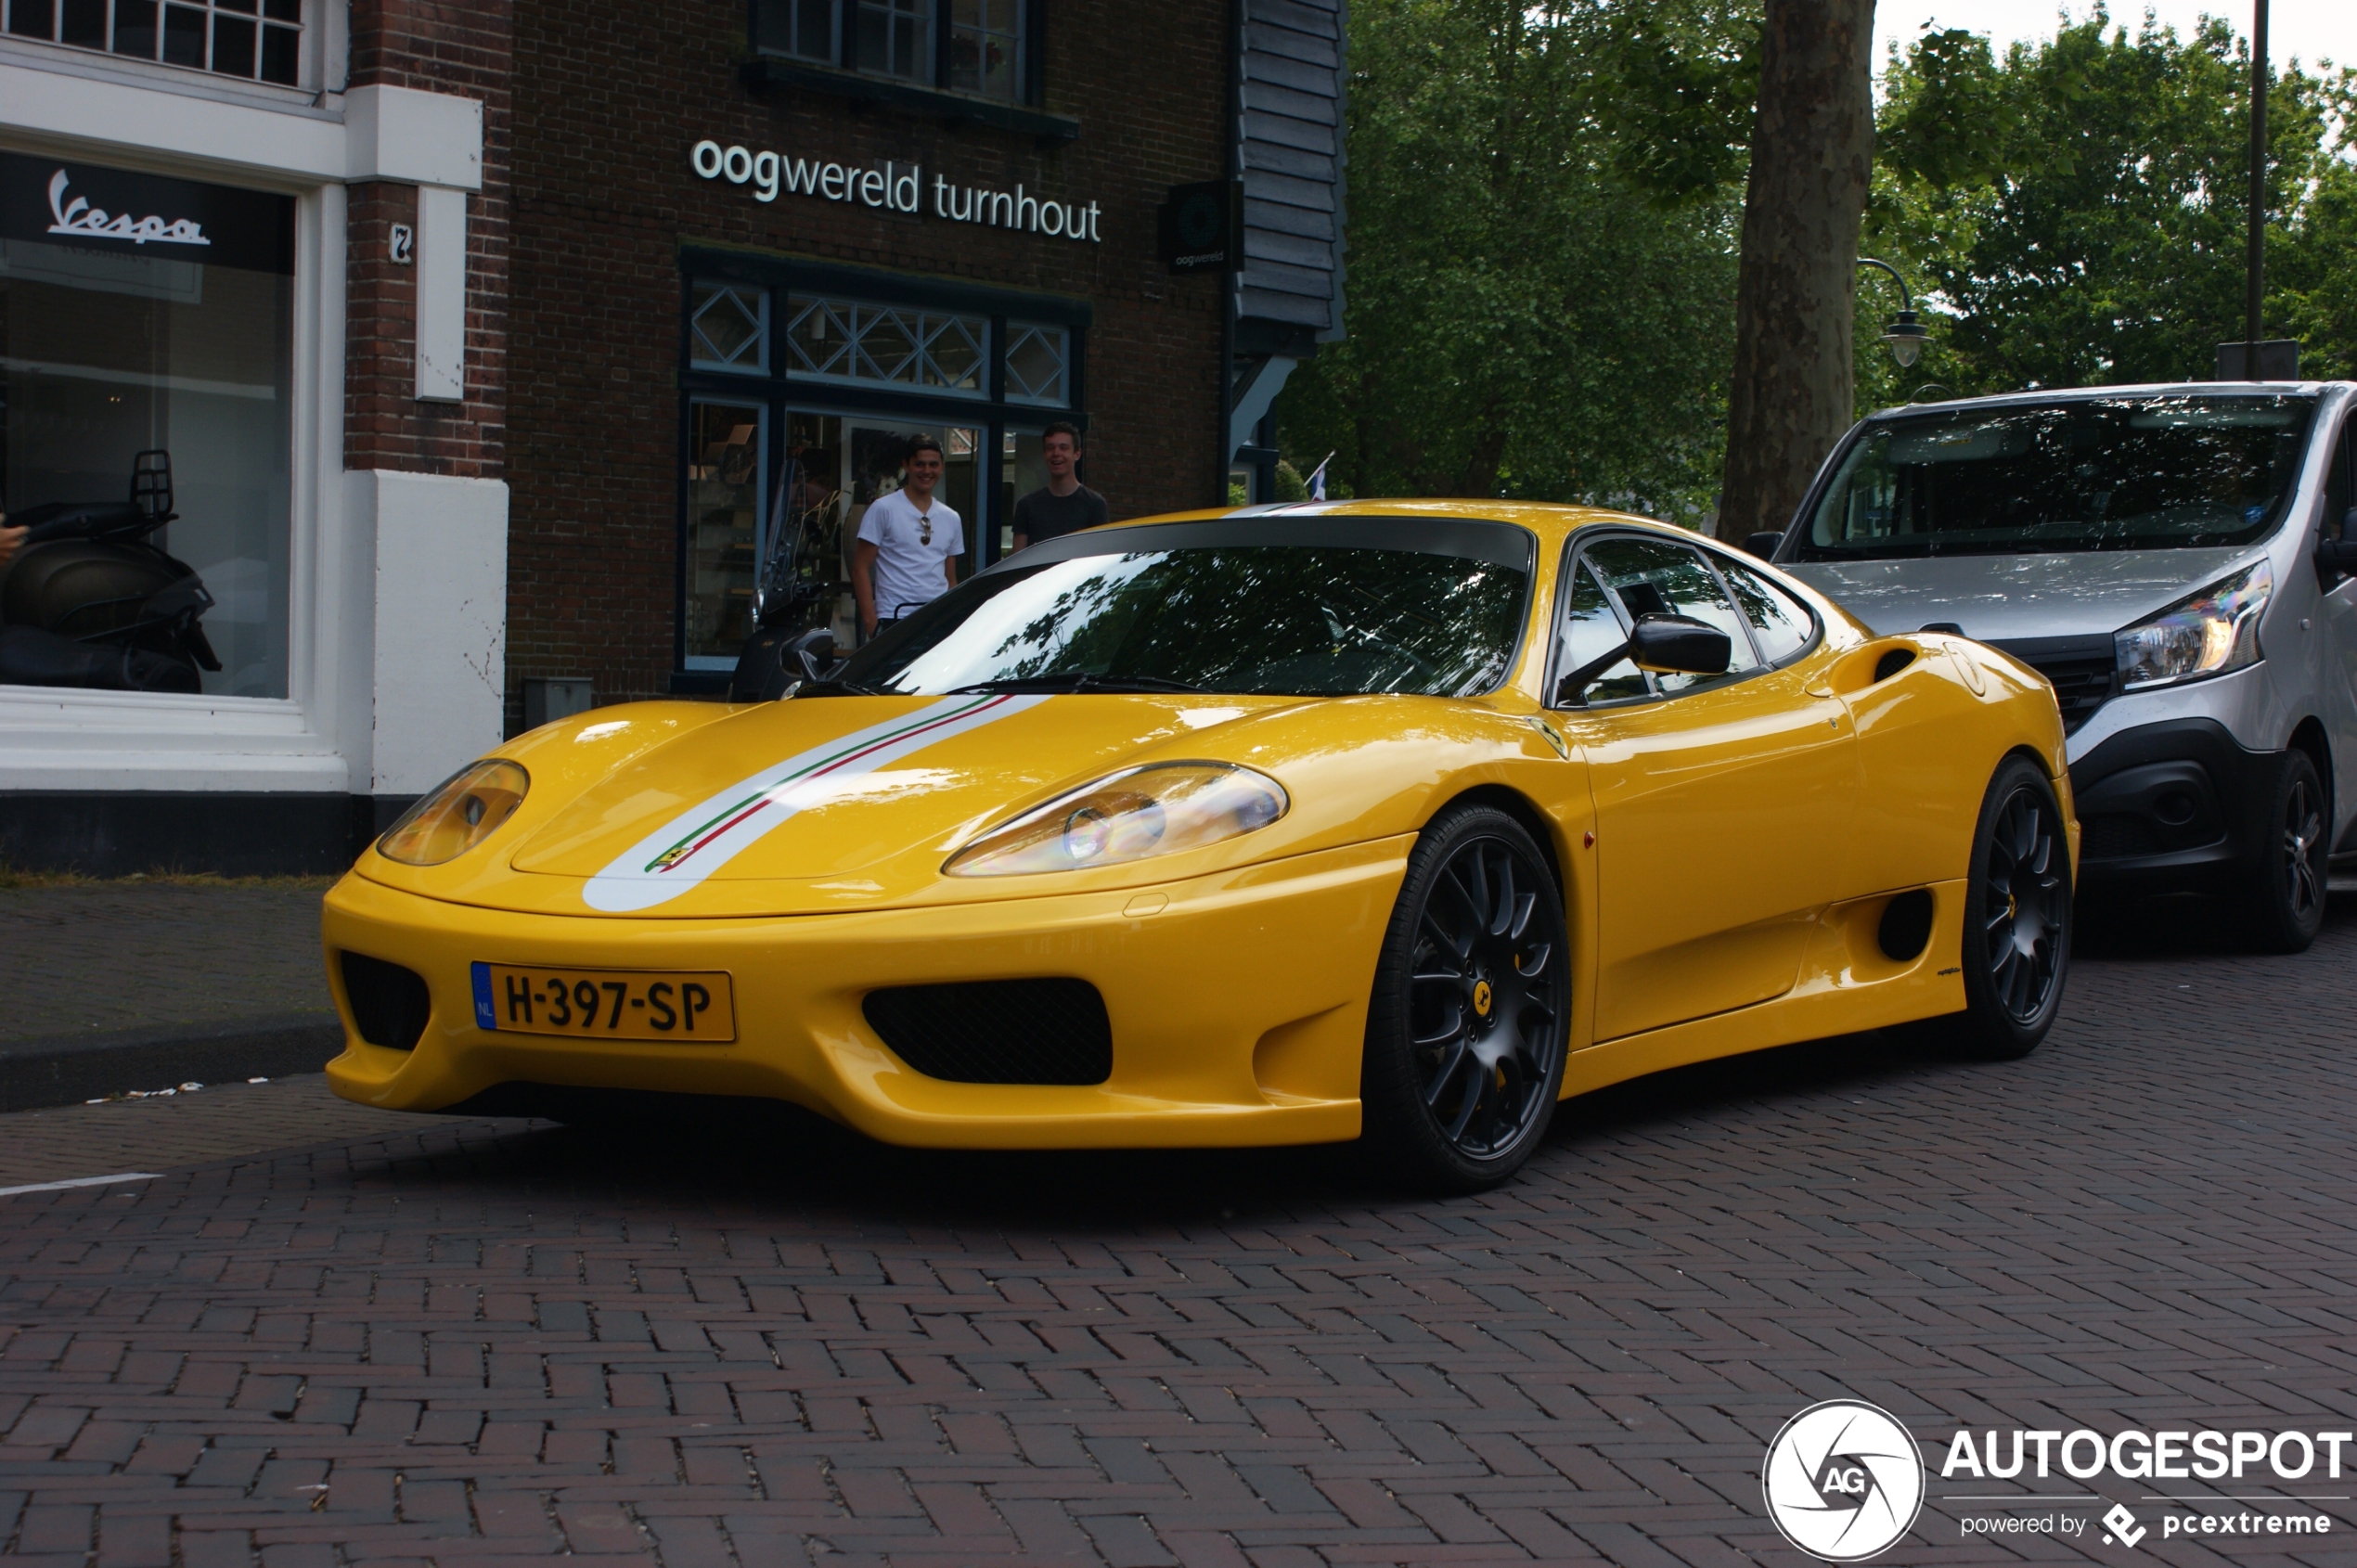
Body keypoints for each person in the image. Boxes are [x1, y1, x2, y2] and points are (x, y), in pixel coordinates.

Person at [852, 436, 963, 639]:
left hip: (936, 620)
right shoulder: (883, 509)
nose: (927, 471)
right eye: (919, 464)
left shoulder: (951, 518)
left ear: (942, 468)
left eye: (933, 465)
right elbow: (860, 567)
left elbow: (950, 578)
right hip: (894, 618)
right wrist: (871, 624)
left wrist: (951, 620)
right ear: (906, 466)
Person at [1011, 422, 1108, 549]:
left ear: (1077, 454)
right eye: (1050, 448)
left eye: (1064, 447)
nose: (1056, 453)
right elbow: (1018, 561)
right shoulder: (1027, 505)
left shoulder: (1095, 504)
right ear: (1045, 454)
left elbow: (1101, 556)